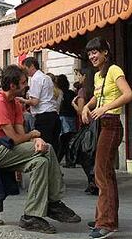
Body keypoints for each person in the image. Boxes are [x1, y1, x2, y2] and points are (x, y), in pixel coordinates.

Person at [0, 65, 81, 234]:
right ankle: (53, 203)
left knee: (40, 162)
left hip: (6, 146)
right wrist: (34, 135)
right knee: (49, 148)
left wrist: (36, 138)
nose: (27, 86)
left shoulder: (15, 103)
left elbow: (20, 135)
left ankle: (31, 216)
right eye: (23, 83)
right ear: (12, 85)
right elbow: (16, 139)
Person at [82, 37, 132, 239]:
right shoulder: (98, 75)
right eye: (89, 53)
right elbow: (98, 96)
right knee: (105, 173)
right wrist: (87, 106)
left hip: (111, 124)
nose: (92, 56)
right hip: (102, 125)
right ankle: (106, 218)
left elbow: (128, 94)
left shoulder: (114, 70)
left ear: (105, 53)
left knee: (101, 173)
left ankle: (107, 223)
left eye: (96, 52)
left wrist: (105, 108)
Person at [19, 57, 61, 155]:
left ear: (32, 66)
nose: (25, 72)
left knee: (42, 146)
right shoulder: (47, 77)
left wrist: (23, 100)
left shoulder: (35, 79)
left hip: (43, 115)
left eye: (25, 68)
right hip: (53, 113)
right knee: (53, 145)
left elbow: (34, 101)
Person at [70, 67, 98, 195]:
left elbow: (82, 112)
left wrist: (74, 105)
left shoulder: (82, 91)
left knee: (86, 154)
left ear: (85, 76)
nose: (78, 78)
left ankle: (92, 181)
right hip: (98, 124)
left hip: (87, 126)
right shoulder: (95, 89)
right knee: (96, 154)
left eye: (80, 75)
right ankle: (96, 181)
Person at [56, 74, 77, 163]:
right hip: (71, 118)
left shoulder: (59, 93)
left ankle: (60, 159)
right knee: (69, 140)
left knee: (63, 140)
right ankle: (69, 160)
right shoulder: (71, 93)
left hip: (63, 117)